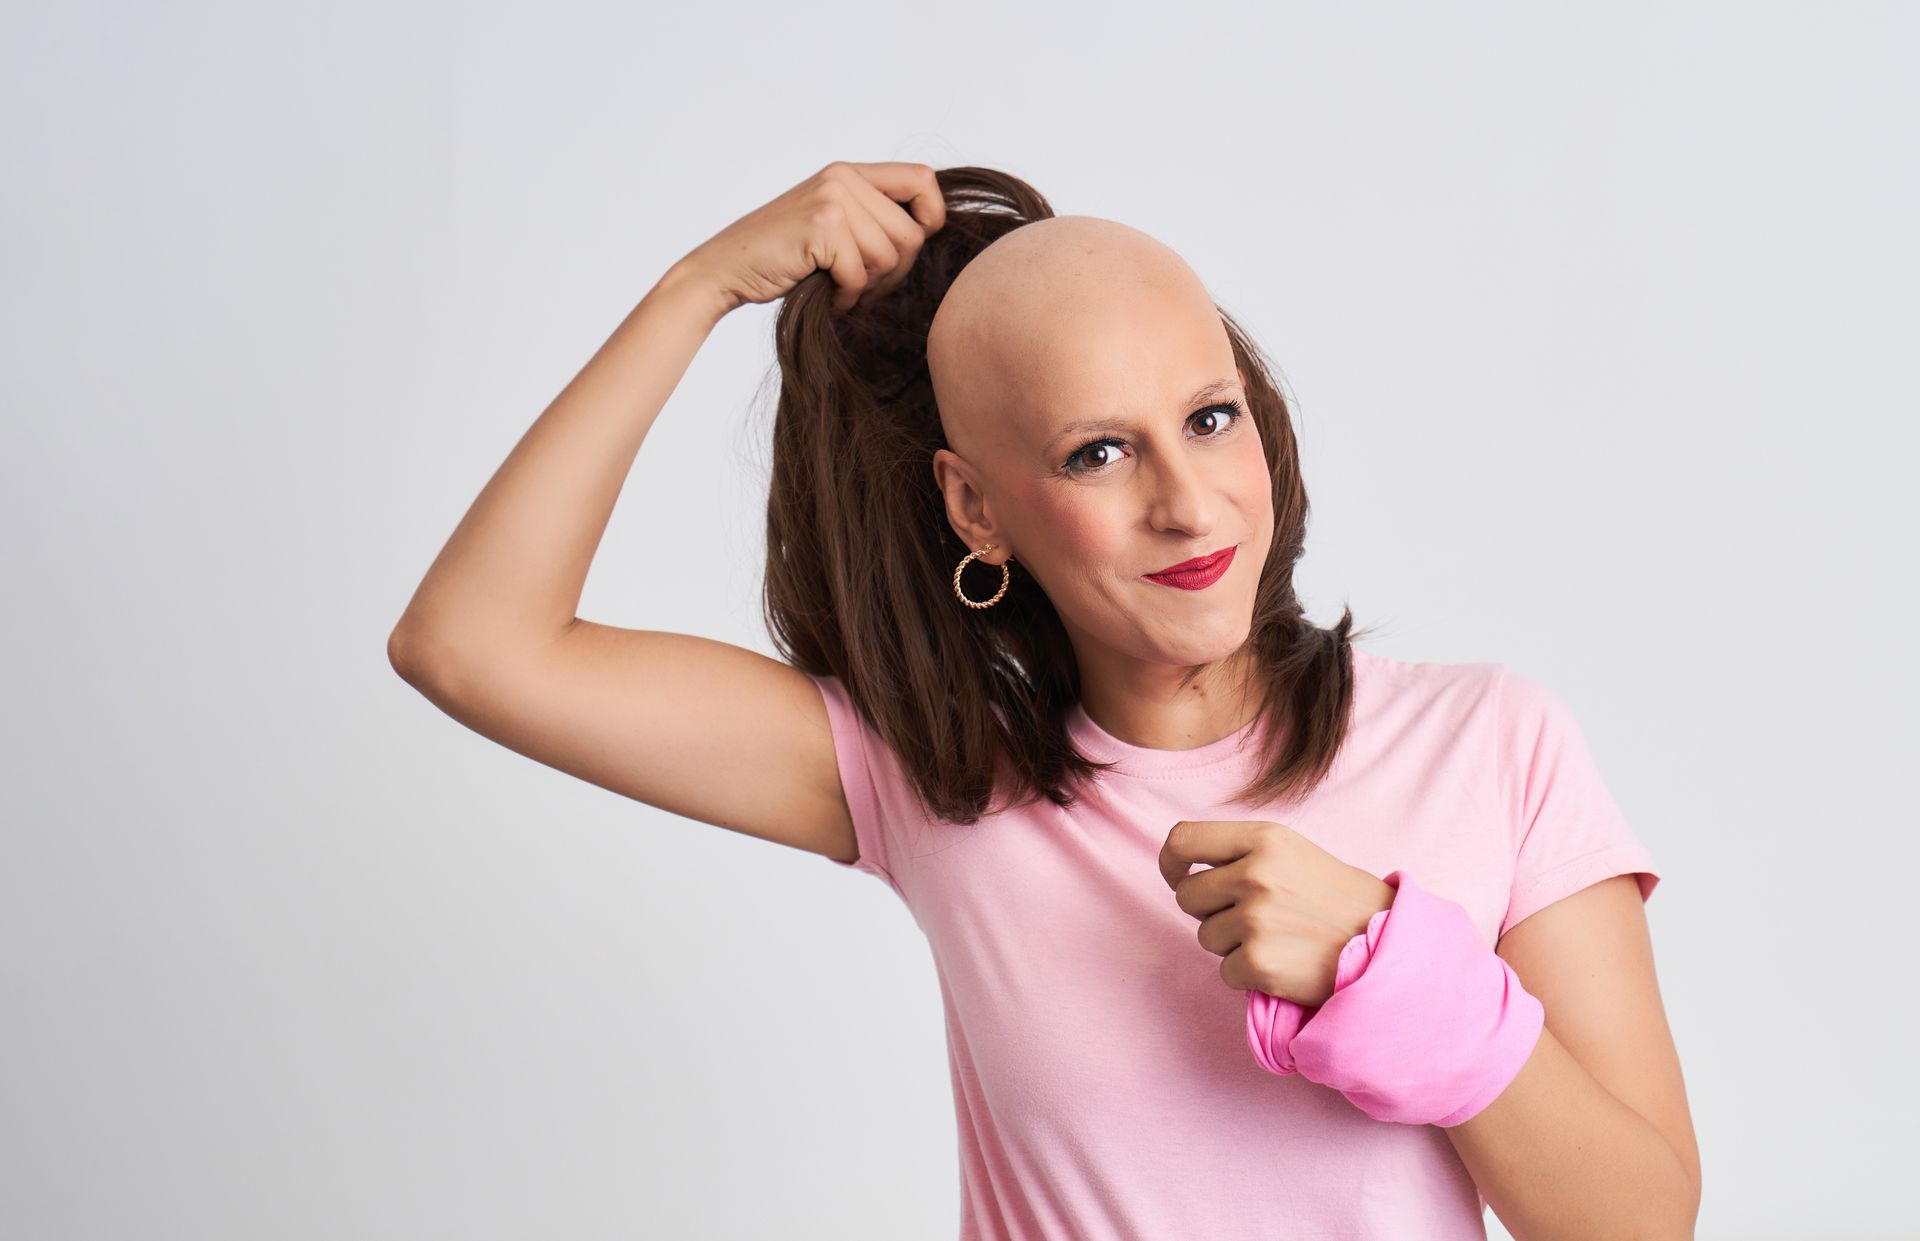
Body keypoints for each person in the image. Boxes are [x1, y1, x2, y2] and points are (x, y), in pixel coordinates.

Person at [388, 162, 1700, 1239]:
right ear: (978, 507)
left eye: (1208, 417)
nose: (1189, 504)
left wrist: (1386, 963)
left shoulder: (1491, 742)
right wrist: (700, 285)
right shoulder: (939, 781)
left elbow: (1641, 1222)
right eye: (1100, 451)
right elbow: (473, 644)